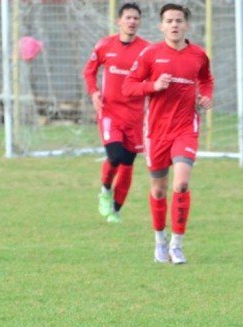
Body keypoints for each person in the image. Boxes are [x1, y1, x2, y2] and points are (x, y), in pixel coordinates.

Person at [123, 3, 214, 264]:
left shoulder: (198, 55)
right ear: (161, 26)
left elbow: (206, 80)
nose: (174, 25)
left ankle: (177, 244)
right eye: (169, 21)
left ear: (186, 25)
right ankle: (160, 241)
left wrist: (206, 96)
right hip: (156, 133)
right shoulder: (151, 54)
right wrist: (154, 85)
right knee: (160, 189)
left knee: (182, 183)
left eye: (179, 20)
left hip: (186, 129)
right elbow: (129, 86)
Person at [83, 3, 150, 223]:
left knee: (128, 163)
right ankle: (104, 190)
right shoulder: (105, 45)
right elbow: (89, 72)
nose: (132, 21)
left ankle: (116, 209)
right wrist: (94, 93)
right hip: (109, 111)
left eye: (136, 18)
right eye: (128, 17)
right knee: (115, 156)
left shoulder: (147, 50)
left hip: (135, 115)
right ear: (119, 21)